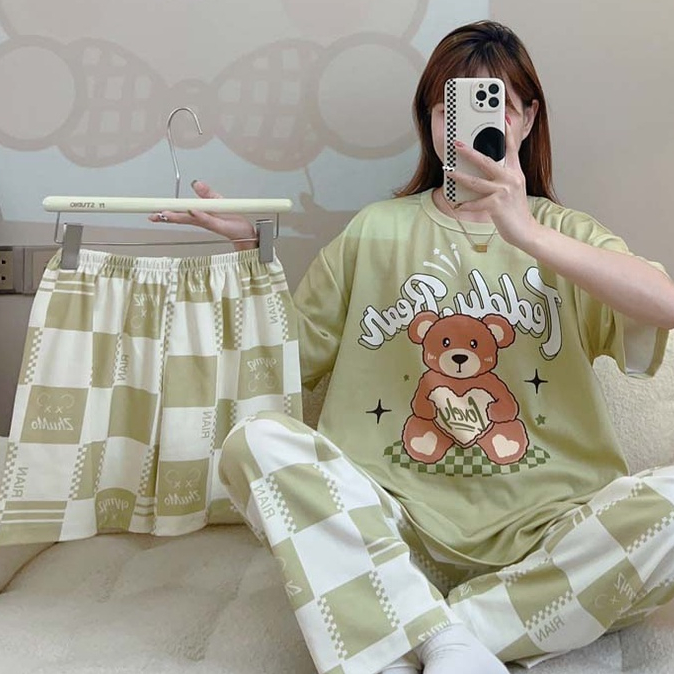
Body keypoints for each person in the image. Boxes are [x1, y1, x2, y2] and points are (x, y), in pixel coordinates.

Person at [150, 20, 674, 674]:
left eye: (496, 105)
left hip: (549, 534)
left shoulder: (567, 236)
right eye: (448, 107)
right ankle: (458, 636)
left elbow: (664, 303)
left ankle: (424, 635)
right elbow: (286, 362)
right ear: (428, 121)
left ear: (527, 119)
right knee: (253, 442)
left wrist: (526, 231)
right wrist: (249, 251)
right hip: (391, 532)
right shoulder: (376, 230)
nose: (469, 127)